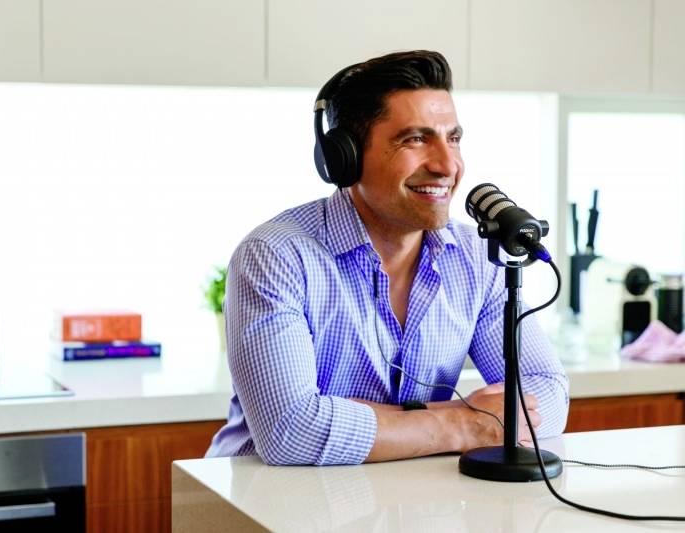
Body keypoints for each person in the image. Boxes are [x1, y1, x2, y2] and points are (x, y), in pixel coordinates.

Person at [206, 50, 568, 466]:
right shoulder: (276, 256)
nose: (447, 165)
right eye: (415, 139)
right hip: (259, 504)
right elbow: (292, 431)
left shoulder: (476, 260)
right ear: (345, 157)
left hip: (401, 499)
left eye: (453, 138)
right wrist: (462, 423)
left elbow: (549, 393)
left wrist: (393, 425)